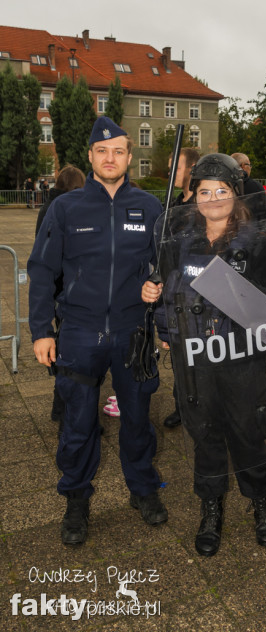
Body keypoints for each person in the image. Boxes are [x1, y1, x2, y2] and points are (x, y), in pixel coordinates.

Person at [28, 116, 167, 546]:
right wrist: (40, 331)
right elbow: (42, 270)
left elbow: (165, 270)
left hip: (133, 333)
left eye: (119, 151)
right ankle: (75, 497)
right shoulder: (65, 208)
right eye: (102, 151)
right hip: (80, 333)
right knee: (78, 422)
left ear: (130, 156)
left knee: (138, 420)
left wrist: (157, 295)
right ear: (90, 156)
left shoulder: (149, 207)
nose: (111, 158)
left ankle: (142, 488)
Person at [143, 153, 266, 557]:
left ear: (236, 195)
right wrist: (157, 307)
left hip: (242, 358)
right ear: (194, 196)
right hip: (196, 361)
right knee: (205, 435)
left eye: (221, 190)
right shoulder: (181, 242)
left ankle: (262, 504)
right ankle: (211, 509)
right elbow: (168, 295)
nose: (213, 198)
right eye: (205, 191)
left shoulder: (258, 246)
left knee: (249, 432)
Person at [34, 164, 86, 429]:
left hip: (56, 291)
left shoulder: (50, 206)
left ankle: (60, 408)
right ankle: (66, 413)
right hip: (65, 292)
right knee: (69, 356)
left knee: (64, 351)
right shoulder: (64, 210)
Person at [163, 146, 201, 430]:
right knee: (179, 357)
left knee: (197, 359)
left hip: (197, 294)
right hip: (175, 291)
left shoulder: (201, 208)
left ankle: (198, 406)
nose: (170, 173)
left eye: (175, 167)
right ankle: (181, 405)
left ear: (192, 169)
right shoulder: (175, 204)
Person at [231, 152, 266, 223]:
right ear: (243, 166)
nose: (250, 168)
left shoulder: (224, 185)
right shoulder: (256, 186)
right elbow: (264, 216)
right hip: (251, 231)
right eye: (249, 165)